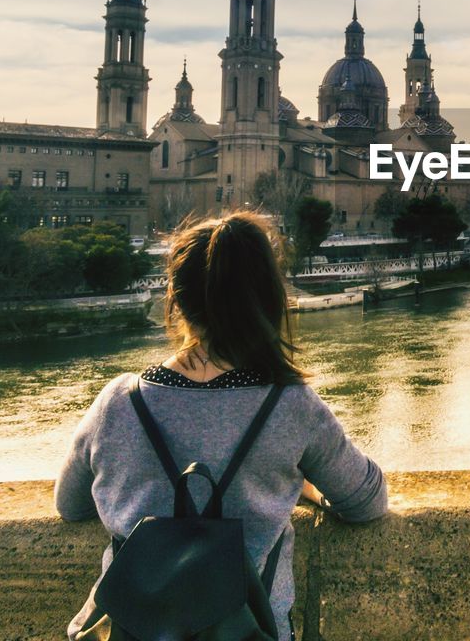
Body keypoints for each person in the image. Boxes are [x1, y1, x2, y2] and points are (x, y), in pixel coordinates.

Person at [55, 211, 387, 640]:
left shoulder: (119, 402)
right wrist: (295, 484)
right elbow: (367, 502)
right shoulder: (289, 405)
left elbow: (70, 504)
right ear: (268, 298)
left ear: (176, 298)